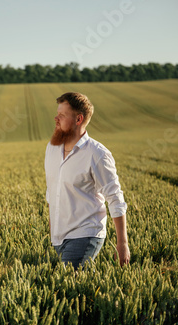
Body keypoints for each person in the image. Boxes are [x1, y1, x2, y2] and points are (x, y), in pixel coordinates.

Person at [44, 92, 130, 269]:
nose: (56, 118)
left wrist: (122, 244)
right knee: (70, 289)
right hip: (59, 237)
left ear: (78, 119)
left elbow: (115, 198)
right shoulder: (52, 149)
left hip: (85, 233)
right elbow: (52, 193)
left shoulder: (97, 154)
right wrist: (53, 233)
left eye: (62, 115)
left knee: (66, 287)